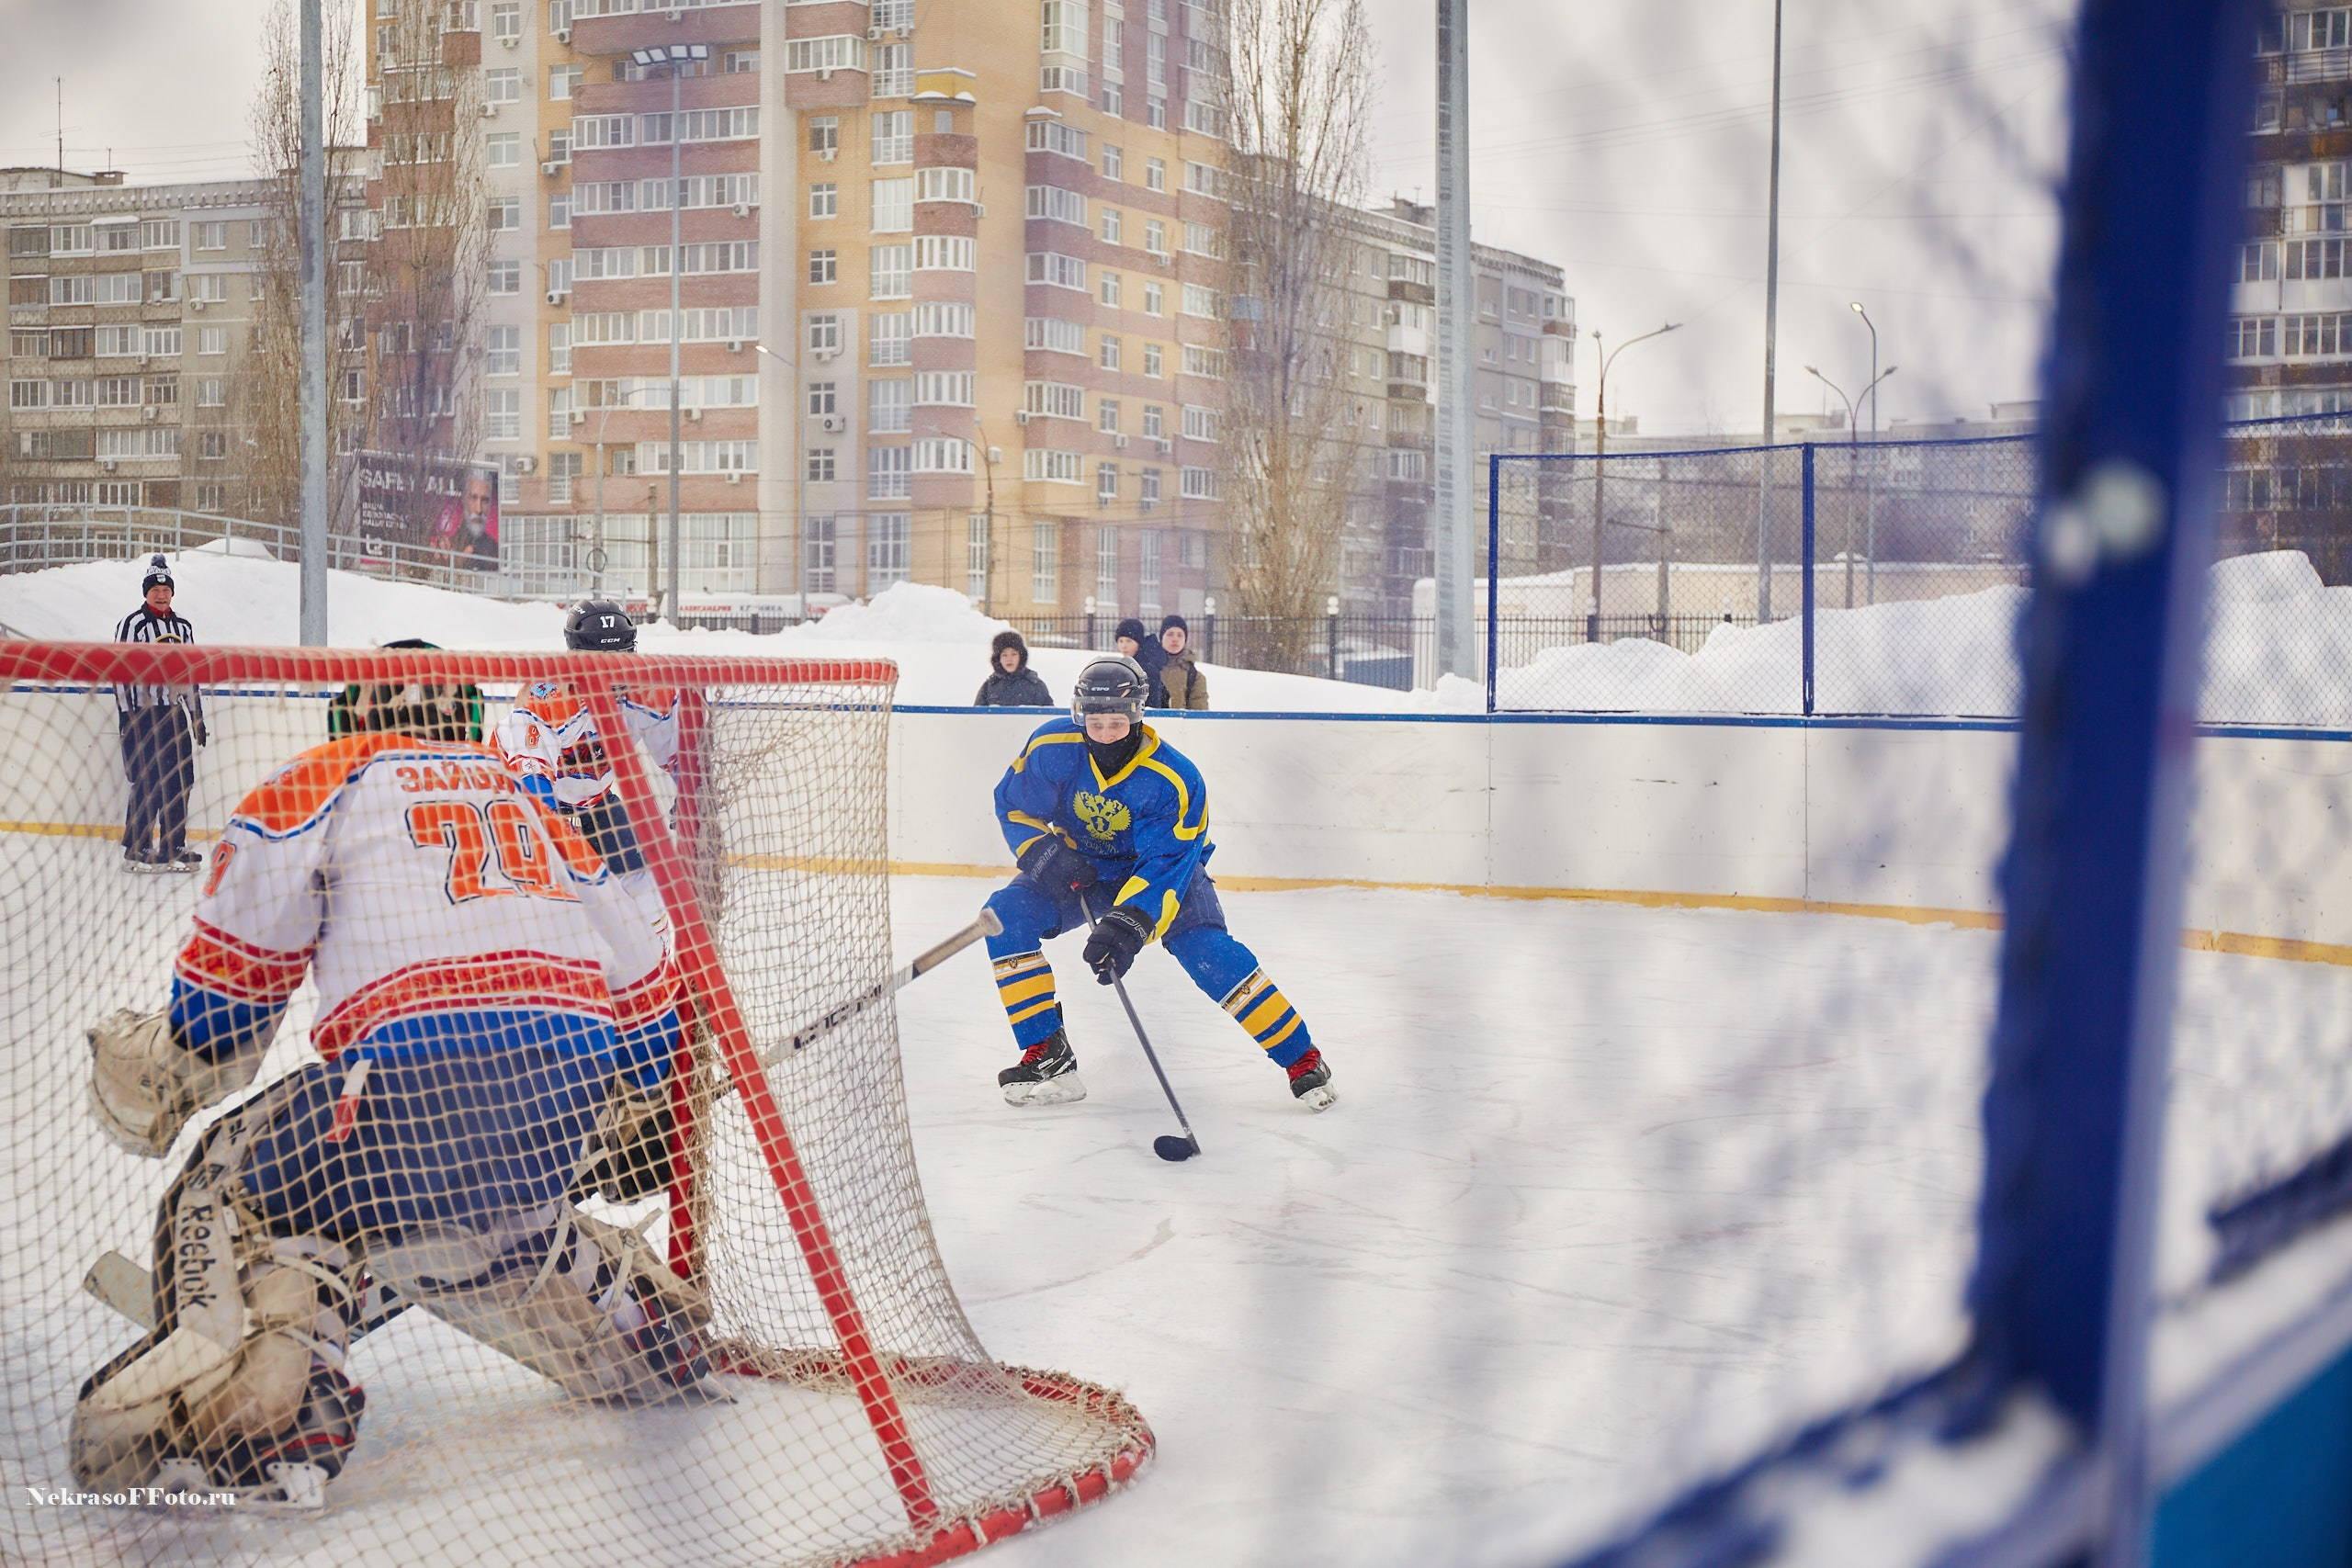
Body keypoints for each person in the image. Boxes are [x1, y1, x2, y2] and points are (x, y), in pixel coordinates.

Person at [73, 668, 703, 1503]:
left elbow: (223, 1023)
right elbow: (653, 1008)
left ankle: (280, 1392)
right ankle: (639, 1323)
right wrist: (621, 1112)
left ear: (354, 713)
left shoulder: (324, 777)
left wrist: (158, 1065)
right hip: (561, 1107)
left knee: (243, 1187)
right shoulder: (533, 800)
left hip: (401, 1094)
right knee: (502, 1224)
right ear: (465, 719)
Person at [983, 655, 1333, 1112]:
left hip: (1165, 877)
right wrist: (1045, 854)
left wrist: (1125, 928)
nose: (1105, 733)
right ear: (1079, 714)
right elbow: (1014, 805)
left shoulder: (1174, 779)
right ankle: (1048, 1052)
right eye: (1095, 722)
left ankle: (1302, 1058)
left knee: (1207, 952)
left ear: (1137, 716)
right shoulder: (1051, 746)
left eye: (1116, 723)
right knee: (1005, 917)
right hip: (1081, 871)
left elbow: (1166, 864)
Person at [493, 601, 679, 939]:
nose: (616, 671)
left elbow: (680, 755)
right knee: (541, 905)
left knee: (649, 881)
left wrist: (691, 794)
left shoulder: (646, 689)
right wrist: (558, 841)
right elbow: (533, 784)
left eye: (623, 656)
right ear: (576, 656)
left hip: (593, 803)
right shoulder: (545, 693)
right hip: (518, 809)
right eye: (603, 662)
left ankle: (651, 971)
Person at [113, 555, 208, 871]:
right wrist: (127, 716)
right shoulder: (133, 625)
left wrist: (197, 718)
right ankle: (136, 848)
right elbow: (120, 673)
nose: (161, 593)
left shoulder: (183, 626)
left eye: (166, 588)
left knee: (182, 779)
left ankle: (173, 846)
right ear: (146, 592)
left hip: (174, 713)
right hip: (143, 714)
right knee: (148, 779)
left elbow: (191, 675)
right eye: (154, 588)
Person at [974, 629, 1054, 707]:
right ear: (998, 659)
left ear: (1021, 657)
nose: (1009, 659)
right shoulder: (989, 686)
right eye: (1004, 655)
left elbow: (1049, 715)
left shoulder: (1035, 685)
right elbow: (977, 717)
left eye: (1014, 654)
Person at [1156, 615, 1209, 710]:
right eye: (1170, 634)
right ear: (1161, 638)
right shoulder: (1147, 669)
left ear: (1185, 640)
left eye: (1180, 635)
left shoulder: (1194, 676)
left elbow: (1199, 715)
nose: (1175, 639)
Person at [1113, 617, 1168, 706]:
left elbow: (1152, 704)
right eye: (1120, 641)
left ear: (1139, 643)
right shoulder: (1130, 664)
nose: (1124, 646)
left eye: (1129, 641)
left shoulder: (1147, 668)